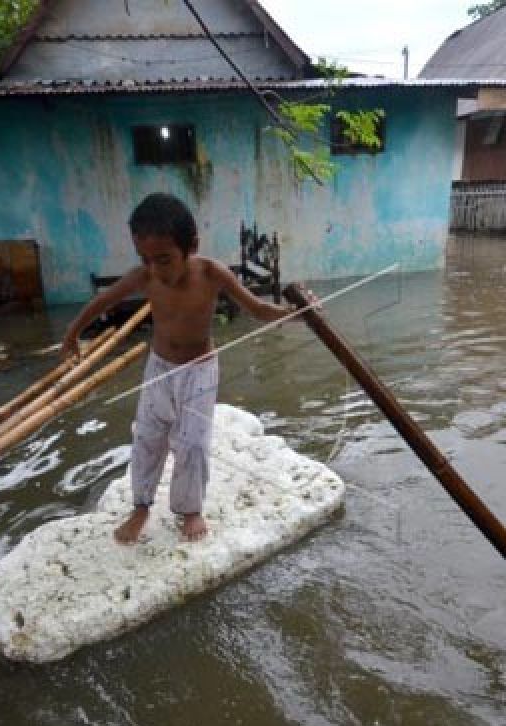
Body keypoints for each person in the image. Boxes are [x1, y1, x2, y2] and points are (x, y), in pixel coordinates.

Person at [58, 193, 317, 545]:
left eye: (163, 259)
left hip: (199, 370)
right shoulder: (144, 277)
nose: (154, 268)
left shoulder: (213, 274)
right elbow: (104, 301)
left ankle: (190, 509)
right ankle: (141, 507)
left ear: (191, 246)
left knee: (193, 443)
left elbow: (258, 309)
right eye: (145, 258)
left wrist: (298, 317)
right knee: (147, 439)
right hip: (159, 368)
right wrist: (72, 333)